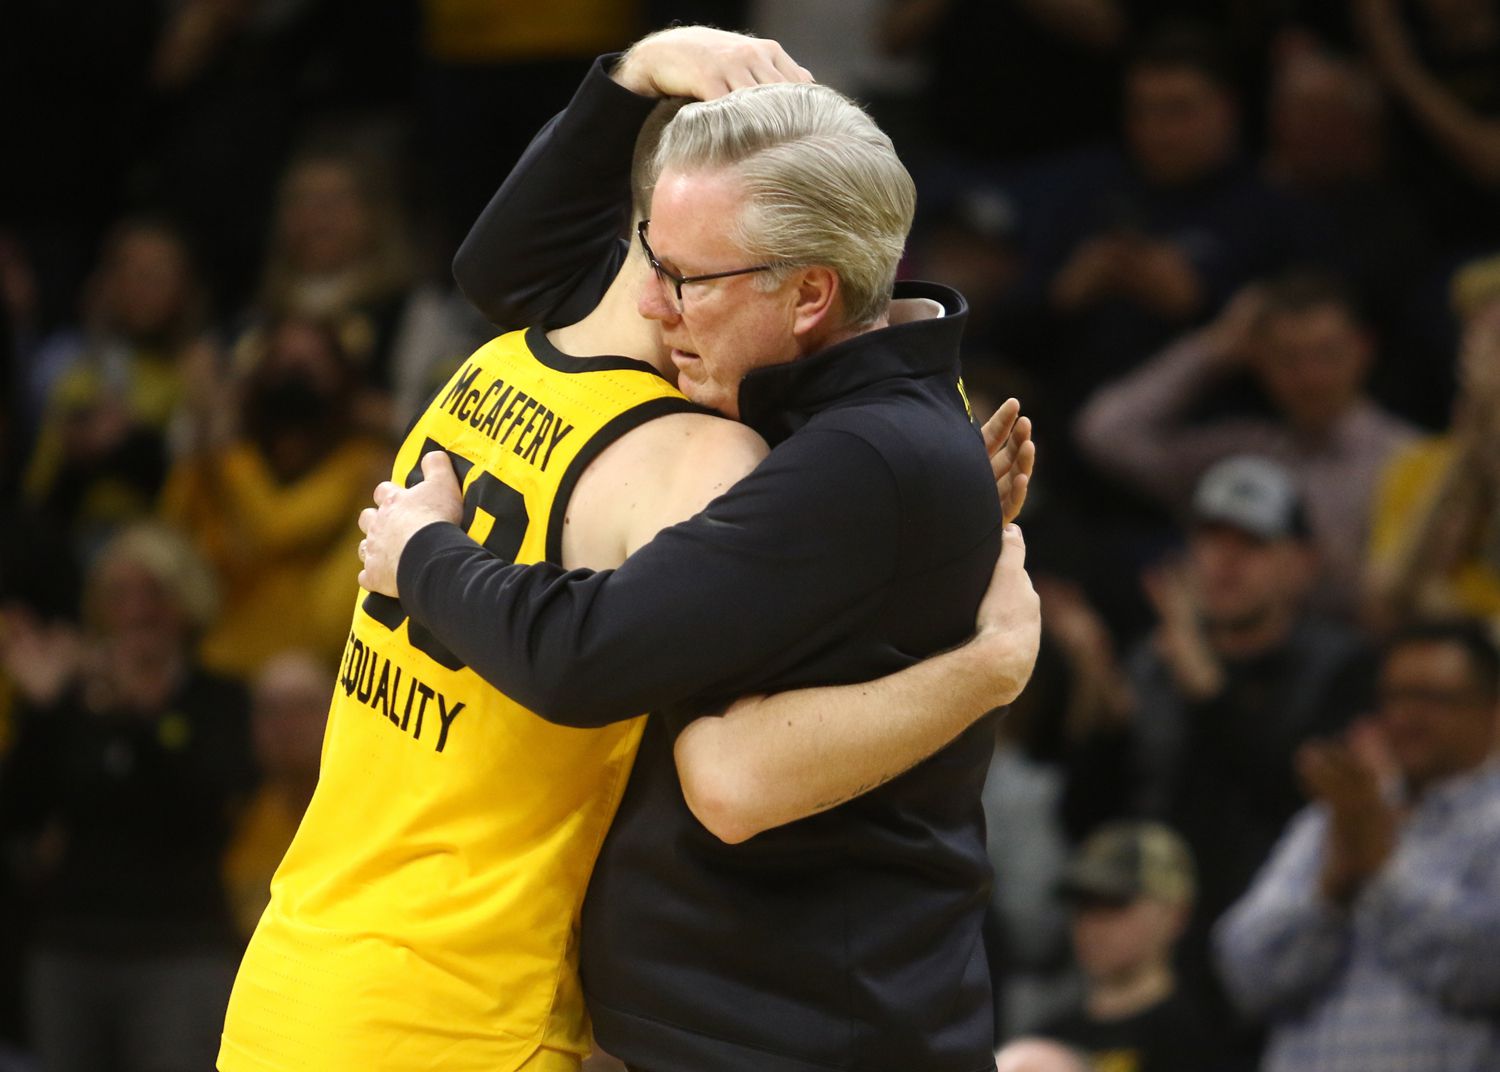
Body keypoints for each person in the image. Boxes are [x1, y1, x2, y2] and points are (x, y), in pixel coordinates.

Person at [223, 28, 1041, 1072]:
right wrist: (985, 658)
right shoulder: (709, 456)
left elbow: (501, 265)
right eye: (659, 256)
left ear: (807, 293)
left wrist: (633, 75)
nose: (661, 294)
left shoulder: (497, 362)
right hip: (459, 1009)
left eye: (689, 272)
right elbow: (703, 744)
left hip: (305, 965)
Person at [1061, 455, 1372, 1040]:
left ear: (1302, 565)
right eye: (1209, 540)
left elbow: (1292, 801)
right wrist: (1099, 711)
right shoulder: (1151, 668)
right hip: (1158, 970)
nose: (1223, 562)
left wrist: (1204, 684)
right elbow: (1087, 823)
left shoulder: (1343, 669)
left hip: (1280, 967)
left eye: (1251, 543)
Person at [0, 522, 254, 1072]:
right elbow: (19, 810)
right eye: (119, 594)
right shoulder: (67, 699)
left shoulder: (221, 699)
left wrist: (132, 716)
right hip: (70, 947)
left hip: (182, 947)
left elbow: (204, 806)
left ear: (186, 601)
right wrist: (43, 714)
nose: (138, 611)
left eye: (155, 593)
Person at [1215, 619, 1500, 1072]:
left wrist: (1383, 875)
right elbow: (1245, 974)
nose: (1405, 717)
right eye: (1394, 697)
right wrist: (1332, 888)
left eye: (1432, 698)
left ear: (1492, 710)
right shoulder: (1332, 819)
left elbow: (1487, 970)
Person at [1074, 270, 1419, 620]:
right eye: (1289, 358)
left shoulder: (1407, 458)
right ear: (1258, 359)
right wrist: (1215, 346)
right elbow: (1106, 433)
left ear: (1363, 348)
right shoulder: (1241, 453)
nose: (1311, 376)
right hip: (1240, 648)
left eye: (1326, 353)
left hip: (1361, 655)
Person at [1365, 251, 1500, 632]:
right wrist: (1472, 447)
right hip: (1454, 665)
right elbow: (1389, 597)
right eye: (1482, 339)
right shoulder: (1416, 465)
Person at [1036, 822, 1222, 1072]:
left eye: (1115, 903)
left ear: (1175, 915)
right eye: (1083, 904)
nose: (1092, 924)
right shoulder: (1046, 1039)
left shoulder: (1197, 1040)